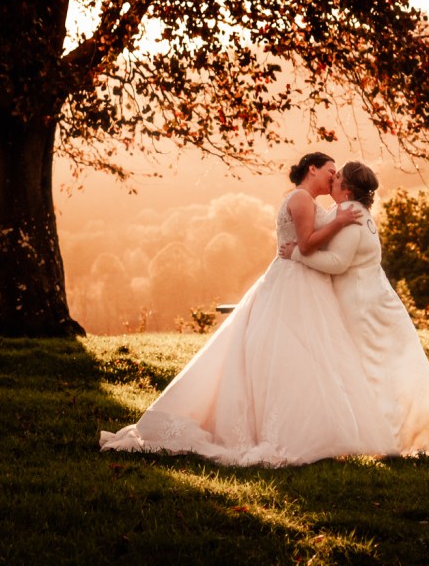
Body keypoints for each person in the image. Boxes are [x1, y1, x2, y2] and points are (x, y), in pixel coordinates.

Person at [100, 153, 400, 466]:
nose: (333, 177)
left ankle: (314, 429)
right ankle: (292, 432)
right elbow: (306, 244)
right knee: (294, 352)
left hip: (306, 280)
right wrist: (338, 222)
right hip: (295, 282)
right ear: (312, 169)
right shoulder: (301, 198)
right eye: (330, 170)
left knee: (308, 355)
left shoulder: (307, 200)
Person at [281, 161, 429, 455]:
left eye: (338, 177)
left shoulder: (349, 214)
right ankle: (387, 432)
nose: (333, 178)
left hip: (362, 306)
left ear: (347, 190)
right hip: (375, 299)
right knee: (383, 367)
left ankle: (389, 437)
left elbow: (338, 263)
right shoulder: (356, 213)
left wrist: (296, 255)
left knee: (373, 368)